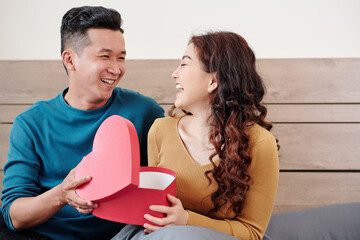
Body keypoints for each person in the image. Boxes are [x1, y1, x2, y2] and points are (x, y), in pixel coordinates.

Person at [1, 6, 164, 240]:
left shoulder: (144, 112)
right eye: (105, 56)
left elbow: (161, 186)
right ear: (70, 60)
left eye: (122, 57)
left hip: (122, 233)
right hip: (45, 234)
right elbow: (14, 215)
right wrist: (61, 195)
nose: (116, 68)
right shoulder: (30, 123)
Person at [112, 31, 279, 240]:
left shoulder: (260, 143)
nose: (174, 74)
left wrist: (186, 221)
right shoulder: (159, 130)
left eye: (184, 64)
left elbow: (253, 232)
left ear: (213, 81)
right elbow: (152, 209)